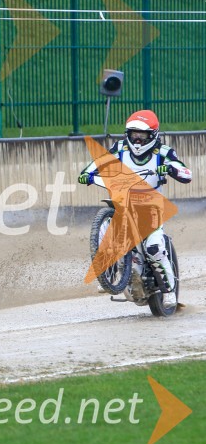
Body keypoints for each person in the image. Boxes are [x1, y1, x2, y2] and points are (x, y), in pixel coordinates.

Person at [78, 110, 192, 309]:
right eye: (133, 134)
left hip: (151, 208)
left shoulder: (163, 152)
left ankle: (168, 292)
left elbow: (186, 173)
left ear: (153, 135)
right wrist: (87, 174)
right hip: (124, 202)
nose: (137, 140)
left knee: (153, 247)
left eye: (142, 135)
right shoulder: (119, 148)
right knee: (109, 232)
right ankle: (108, 275)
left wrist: (170, 169)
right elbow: (99, 162)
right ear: (127, 134)